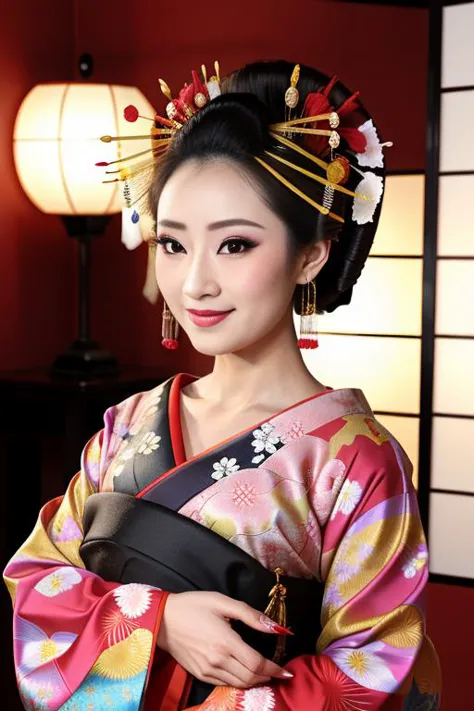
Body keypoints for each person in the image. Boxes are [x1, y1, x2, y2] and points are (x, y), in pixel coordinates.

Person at [4, 59, 441, 710]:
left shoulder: (358, 460)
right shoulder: (127, 424)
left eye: (234, 245)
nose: (194, 283)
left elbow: (373, 669)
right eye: (174, 244)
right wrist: (157, 619)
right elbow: (34, 577)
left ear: (311, 252)